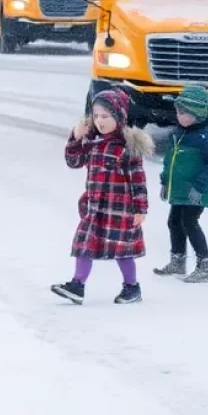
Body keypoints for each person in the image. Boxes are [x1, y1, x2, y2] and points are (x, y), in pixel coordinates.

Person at [52, 89, 152, 305]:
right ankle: (77, 285)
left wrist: (140, 208)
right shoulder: (92, 143)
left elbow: (138, 180)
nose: (100, 122)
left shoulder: (127, 148)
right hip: (95, 207)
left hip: (120, 209)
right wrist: (75, 138)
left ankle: (132, 287)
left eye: (105, 117)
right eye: (96, 116)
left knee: (123, 250)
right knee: (83, 243)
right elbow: (73, 161)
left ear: (119, 117)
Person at [153, 84, 208, 283]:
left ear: (198, 113)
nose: (179, 116)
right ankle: (178, 260)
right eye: (177, 111)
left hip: (196, 191)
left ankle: (205, 265)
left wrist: (200, 186)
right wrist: (165, 182)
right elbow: (170, 160)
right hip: (180, 189)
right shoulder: (179, 133)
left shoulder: (207, 135)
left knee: (189, 222)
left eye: (183, 113)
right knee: (174, 222)